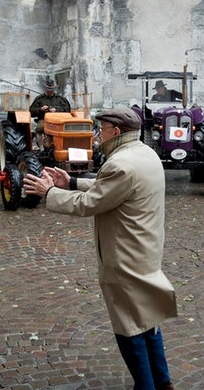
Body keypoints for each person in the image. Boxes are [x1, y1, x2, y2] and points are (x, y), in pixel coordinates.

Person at [23, 106, 177, 390]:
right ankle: (163, 382)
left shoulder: (120, 164)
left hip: (123, 257)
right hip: (146, 250)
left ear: (116, 132)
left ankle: (146, 386)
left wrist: (50, 193)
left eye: (102, 129)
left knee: (128, 326)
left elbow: (89, 204)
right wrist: (70, 181)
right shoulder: (145, 154)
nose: (97, 135)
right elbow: (113, 189)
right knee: (148, 318)